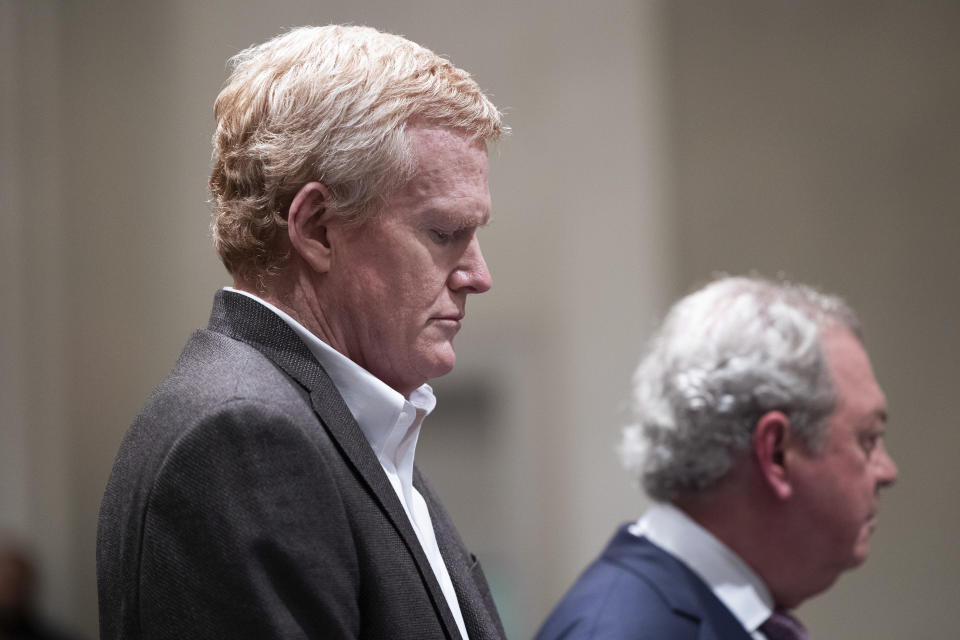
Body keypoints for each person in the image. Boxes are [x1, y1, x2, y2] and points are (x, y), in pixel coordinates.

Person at [97, 25, 506, 640]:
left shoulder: (347, 424)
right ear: (316, 229)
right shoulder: (243, 436)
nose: (479, 276)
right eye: (444, 234)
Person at [536, 275, 898, 640]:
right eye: (868, 439)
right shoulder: (625, 632)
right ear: (776, 454)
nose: (888, 471)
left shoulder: (704, 612)